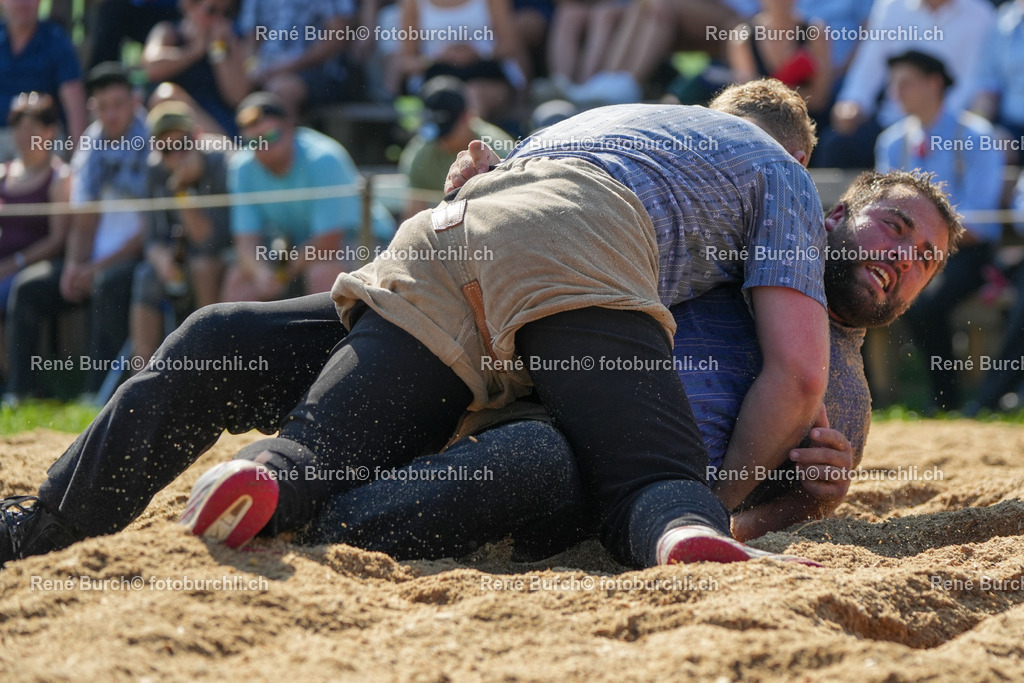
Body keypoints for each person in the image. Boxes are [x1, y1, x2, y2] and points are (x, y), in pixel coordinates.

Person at [0, 81, 958, 571]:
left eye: (927, 261)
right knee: (647, 478)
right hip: (552, 301)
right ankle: (676, 532)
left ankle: (79, 521)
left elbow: (483, 197)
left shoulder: (615, 124)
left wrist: (806, 498)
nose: (905, 261)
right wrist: (715, 502)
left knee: (221, 337)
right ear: (823, 198)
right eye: (899, 230)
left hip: (454, 259)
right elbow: (785, 377)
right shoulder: (775, 186)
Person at [5, 63, 147, 401]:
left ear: (133, 102)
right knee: (28, 287)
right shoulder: (90, 147)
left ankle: (95, 393)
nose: (111, 114)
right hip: (91, 260)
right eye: (103, 106)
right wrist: (72, 266)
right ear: (93, 108)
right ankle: (19, 393)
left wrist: (94, 267)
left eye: (119, 103)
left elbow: (148, 230)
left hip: (134, 259)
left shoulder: (152, 145)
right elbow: (83, 219)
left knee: (107, 283)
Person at [875, 50, 1005, 410]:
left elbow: (981, 219)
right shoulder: (892, 140)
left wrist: (923, 240)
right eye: (894, 83)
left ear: (934, 83)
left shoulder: (976, 135)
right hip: (912, 252)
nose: (896, 91)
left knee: (923, 304)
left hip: (966, 253)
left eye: (905, 82)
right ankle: (867, 395)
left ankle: (945, 399)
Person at [221, 92, 396, 302]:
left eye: (270, 137)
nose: (263, 147)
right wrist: (260, 274)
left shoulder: (323, 158)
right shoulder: (242, 166)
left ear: (290, 128)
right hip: (301, 249)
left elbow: (329, 242)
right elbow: (246, 243)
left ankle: (337, 336)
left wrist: (282, 274)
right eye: (253, 141)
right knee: (239, 279)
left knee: (323, 273)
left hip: (366, 242)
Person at [819, 0, 995, 169]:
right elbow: (869, 65)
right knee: (837, 145)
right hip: (892, 121)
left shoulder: (981, 15)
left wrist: (934, 121)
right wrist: (852, 103)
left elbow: (973, 81)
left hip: (951, 131)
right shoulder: (890, 6)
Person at [130, 102, 232, 364]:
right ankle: (141, 378)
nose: (176, 156)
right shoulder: (154, 170)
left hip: (224, 254)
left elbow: (210, 241)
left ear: (196, 135)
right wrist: (160, 259)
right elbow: (152, 237)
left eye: (182, 144)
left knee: (202, 265)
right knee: (146, 276)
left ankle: (210, 361)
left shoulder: (221, 161)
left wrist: (181, 191)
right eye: (166, 149)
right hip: (178, 257)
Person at [0, 93, 71, 388]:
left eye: (32, 129)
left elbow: (58, 239)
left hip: (42, 267)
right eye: (19, 128)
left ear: (49, 132)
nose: (24, 136)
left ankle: (18, 386)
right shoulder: (2, 173)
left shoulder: (60, 177)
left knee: (20, 289)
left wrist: (14, 263)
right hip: (3, 268)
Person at [398, 76, 514, 217]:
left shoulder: (499, 148)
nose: (441, 140)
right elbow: (413, 214)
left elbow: (511, 208)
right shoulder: (420, 153)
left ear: (468, 117)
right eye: (437, 131)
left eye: (447, 131)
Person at [141, 0, 251, 137]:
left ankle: (228, 150)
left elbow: (238, 97)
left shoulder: (228, 41)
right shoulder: (169, 31)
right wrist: (194, 51)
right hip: (180, 130)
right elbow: (151, 68)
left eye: (226, 13)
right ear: (189, 5)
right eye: (212, 11)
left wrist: (218, 48)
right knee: (166, 95)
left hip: (221, 125)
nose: (219, 19)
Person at [237, 0, 364, 114]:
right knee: (234, 83)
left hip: (320, 71)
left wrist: (285, 67)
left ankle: (284, 139)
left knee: (282, 90)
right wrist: (253, 67)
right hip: (268, 69)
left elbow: (337, 38)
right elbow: (251, 39)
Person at [0, 0, 87, 161]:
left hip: (43, 141)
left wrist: (78, 162)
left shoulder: (56, 41)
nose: (23, 4)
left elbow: (75, 107)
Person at [726, 0, 831, 120]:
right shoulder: (743, 37)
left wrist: (767, 94)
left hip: (807, 120)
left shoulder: (815, 33)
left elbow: (819, 99)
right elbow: (745, 99)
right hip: (761, 123)